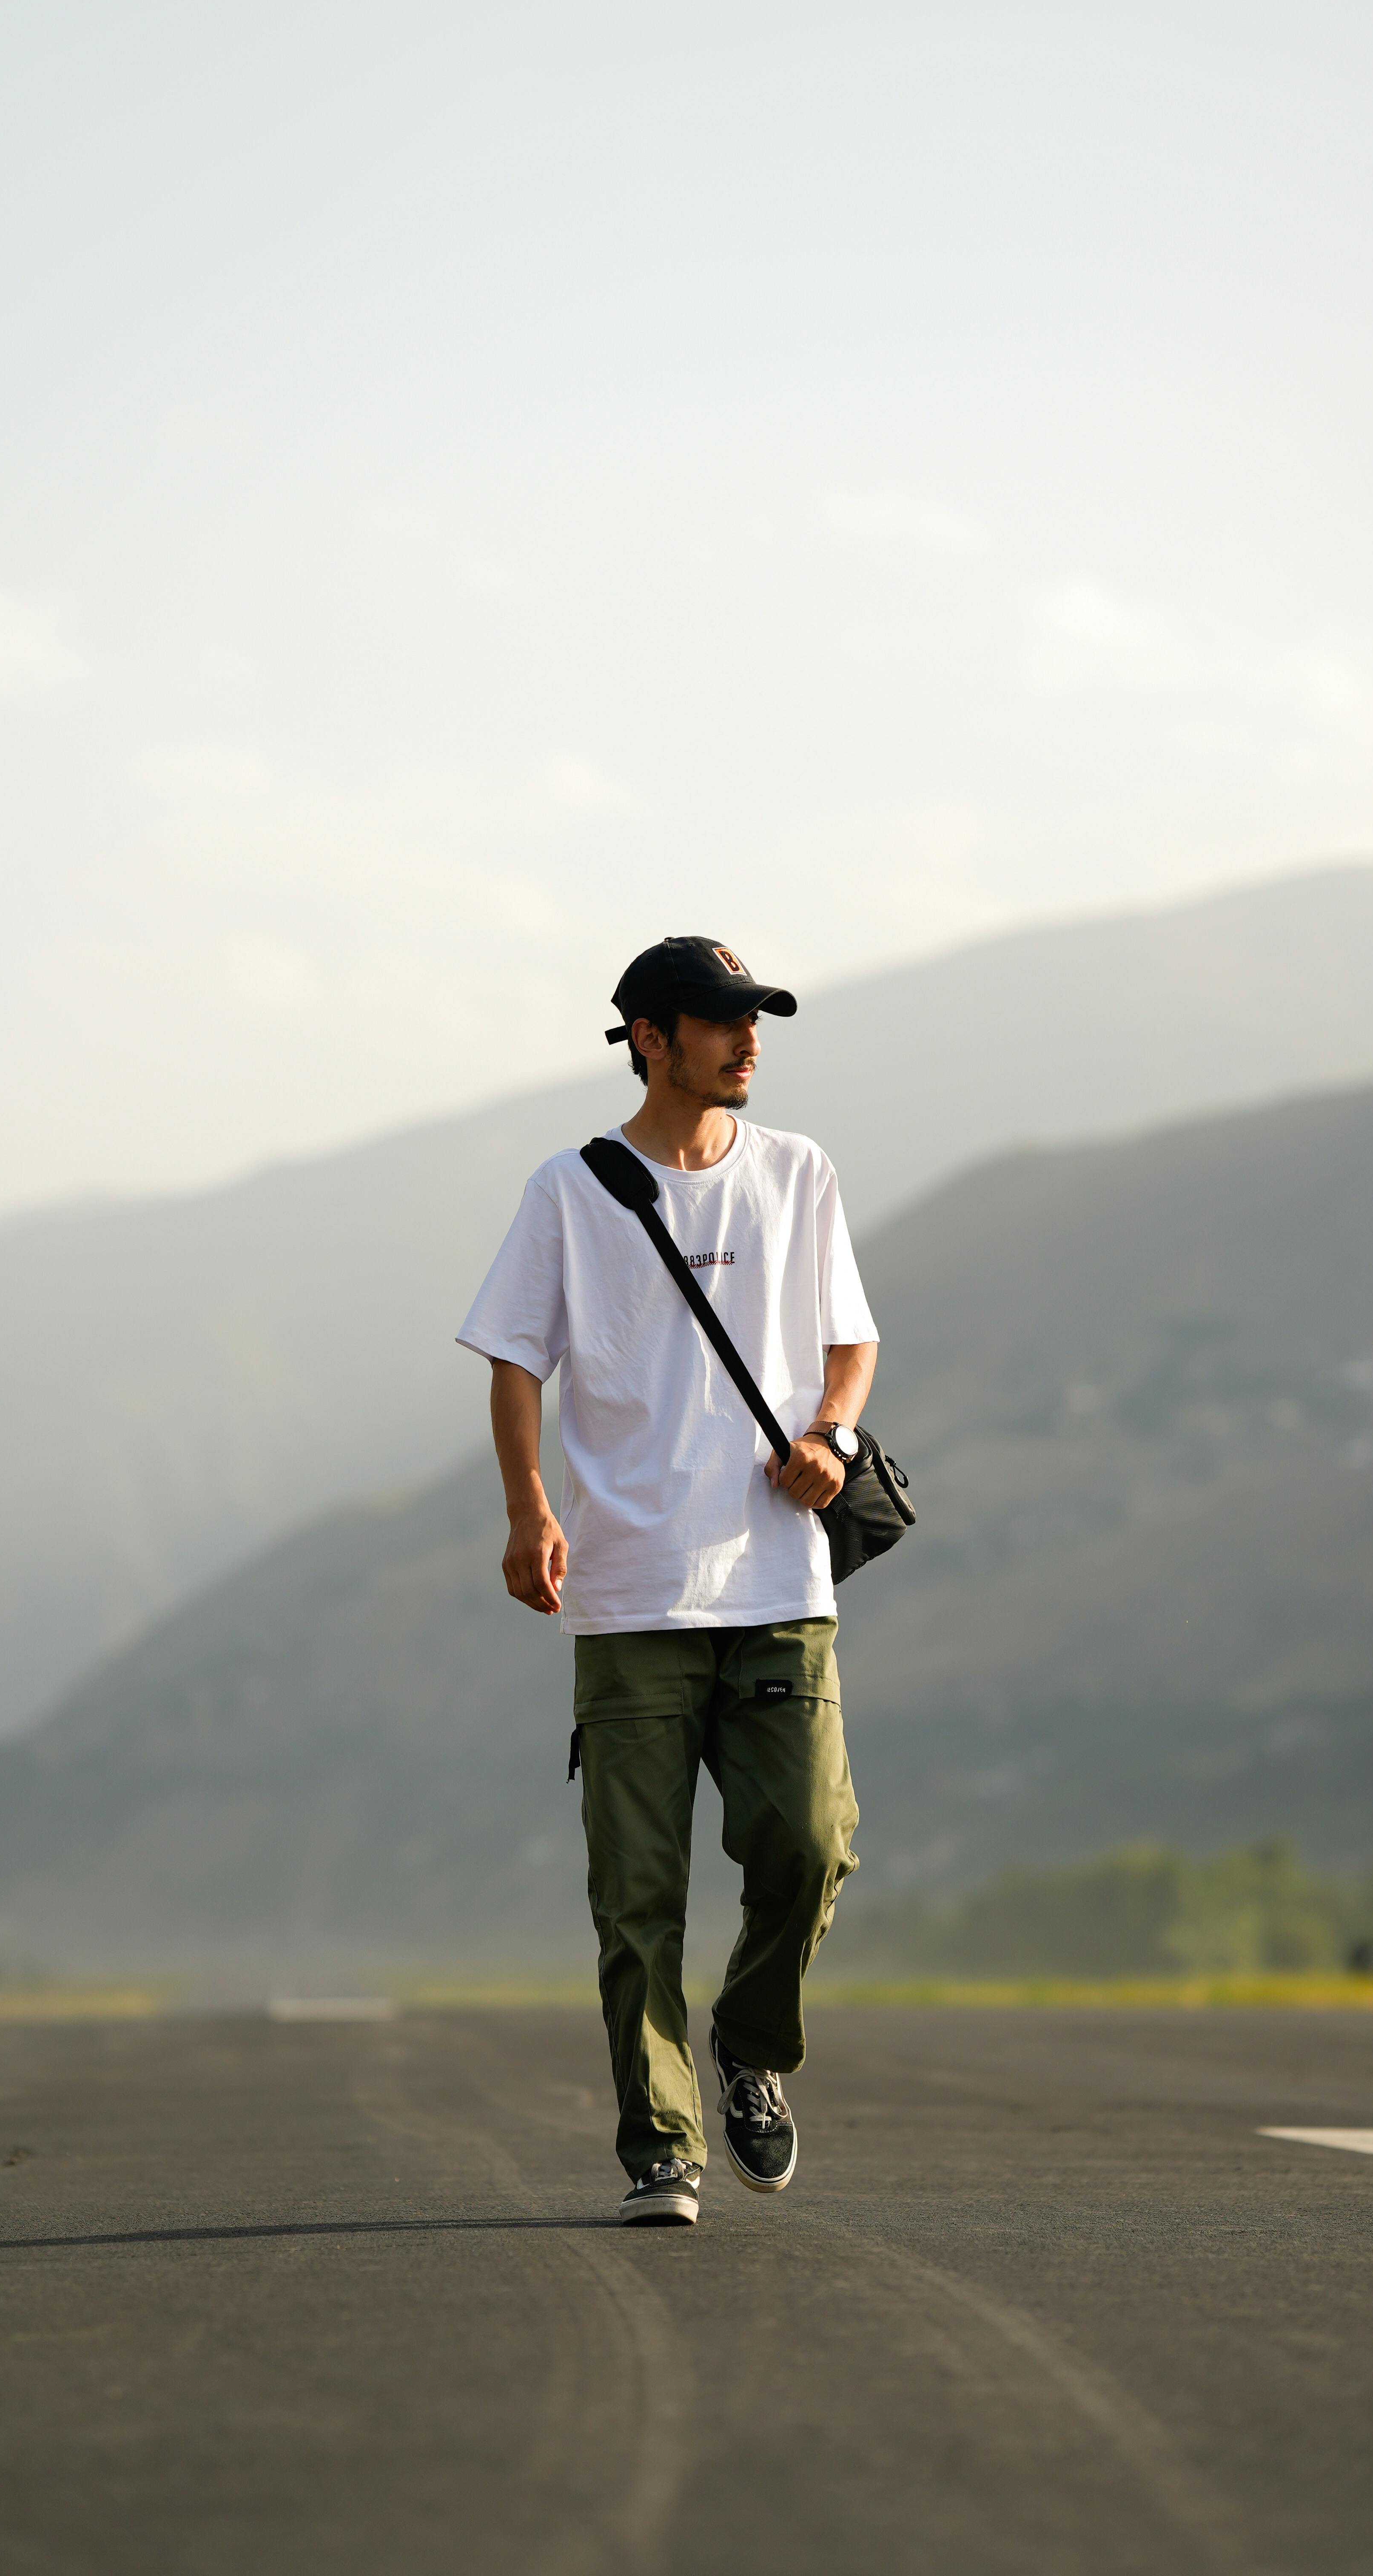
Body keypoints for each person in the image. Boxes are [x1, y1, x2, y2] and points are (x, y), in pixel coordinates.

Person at [456, 937, 879, 2225]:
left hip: (778, 1583)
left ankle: (749, 2047)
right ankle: (661, 2142)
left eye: (756, 1019)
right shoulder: (570, 1193)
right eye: (718, 1020)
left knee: (808, 1847)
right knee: (637, 1895)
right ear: (650, 1035)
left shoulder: (799, 1174)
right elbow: (515, 1361)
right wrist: (530, 1510)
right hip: (632, 1593)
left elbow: (848, 1342)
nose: (747, 1039)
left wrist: (832, 1439)